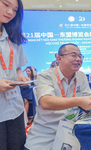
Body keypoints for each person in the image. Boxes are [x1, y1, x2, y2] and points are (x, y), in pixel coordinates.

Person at [24, 43, 91, 149]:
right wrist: (79, 101)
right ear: (59, 58)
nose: (78, 59)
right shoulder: (46, 75)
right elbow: (46, 102)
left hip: (72, 132)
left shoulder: (81, 76)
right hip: (46, 134)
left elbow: (87, 98)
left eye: (80, 56)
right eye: (73, 55)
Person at [0, 0, 29, 149]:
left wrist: (19, 75)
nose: (10, 12)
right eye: (6, 5)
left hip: (14, 107)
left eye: (15, 10)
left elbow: (17, 67)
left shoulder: (13, 35)